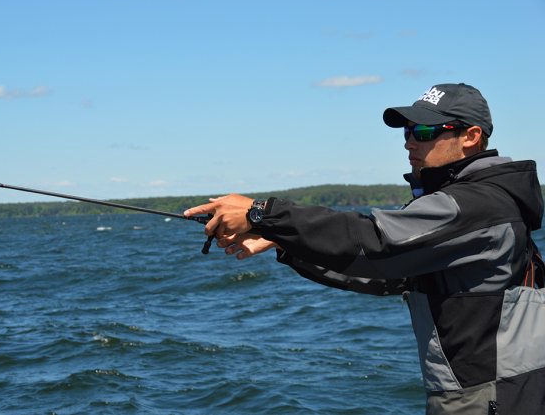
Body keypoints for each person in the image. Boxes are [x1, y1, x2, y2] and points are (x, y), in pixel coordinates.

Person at [184, 83, 545, 415]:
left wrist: (262, 214)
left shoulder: (474, 205)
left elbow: (375, 240)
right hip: (494, 393)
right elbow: (387, 274)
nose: (409, 143)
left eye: (424, 131)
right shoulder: (479, 203)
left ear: (471, 136)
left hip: (490, 398)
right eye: (407, 131)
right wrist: (285, 242)